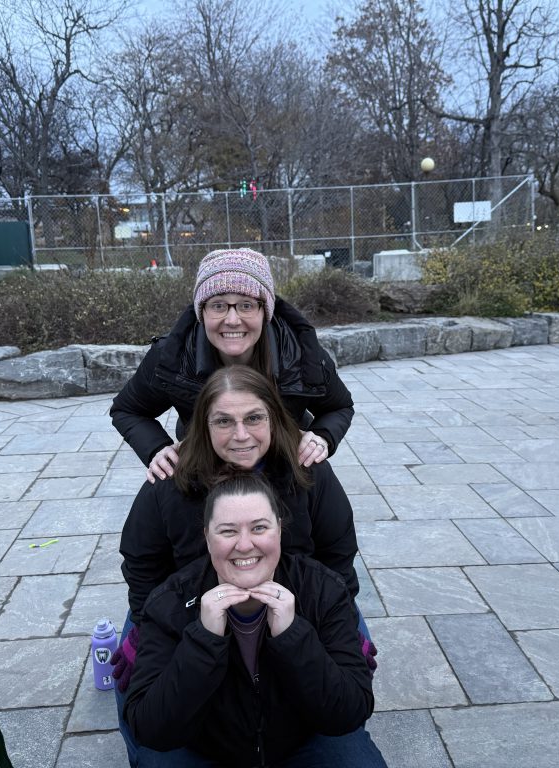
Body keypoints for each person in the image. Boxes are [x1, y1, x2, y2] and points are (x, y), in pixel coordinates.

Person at [113, 366, 366, 765]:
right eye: (224, 421)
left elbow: (337, 552)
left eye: (254, 418)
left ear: (274, 418)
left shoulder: (307, 468)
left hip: (300, 597)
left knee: (344, 688)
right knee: (146, 700)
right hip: (191, 603)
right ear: (204, 427)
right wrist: (163, 625)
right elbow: (142, 563)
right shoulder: (171, 477)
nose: (242, 434)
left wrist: (330, 615)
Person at [124, 473, 385, 767]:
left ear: (280, 532)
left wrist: (293, 636)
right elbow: (149, 729)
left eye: (259, 527)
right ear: (207, 538)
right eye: (227, 531)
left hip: (302, 744)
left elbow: (350, 711)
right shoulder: (170, 602)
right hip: (206, 750)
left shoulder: (323, 590)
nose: (245, 545)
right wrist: (203, 641)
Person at [110, 248, 354, 484]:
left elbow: (339, 406)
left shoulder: (301, 352)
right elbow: (127, 409)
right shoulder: (172, 355)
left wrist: (322, 437)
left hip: (285, 461)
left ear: (265, 310)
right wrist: (156, 449)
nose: (232, 320)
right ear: (201, 311)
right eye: (218, 305)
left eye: (246, 305)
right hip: (205, 463)